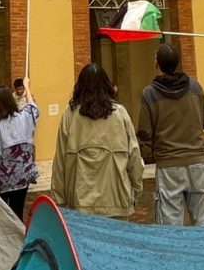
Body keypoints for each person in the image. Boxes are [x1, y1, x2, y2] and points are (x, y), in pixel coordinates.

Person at [135, 41, 204, 226]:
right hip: (197, 162)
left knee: (171, 226)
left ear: (157, 63)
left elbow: (144, 133)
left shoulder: (149, 94)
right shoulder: (195, 87)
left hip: (168, 165)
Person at [51, 63, 144, 219]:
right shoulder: (120, 114)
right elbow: (134, 156)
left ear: (80, 86)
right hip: (117, 198)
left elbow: (60, 161)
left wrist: (59, 198)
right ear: (106, 85)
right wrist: (136, 190)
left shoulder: (70, 115)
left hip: (80, 200)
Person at [0, 83, 40, 218]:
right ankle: (19, 237)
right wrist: (27, 88)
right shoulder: (24, 117)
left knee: (3, 216)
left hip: (3, 180)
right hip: (23, 176)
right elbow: (33, 109)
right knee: (18, 212)